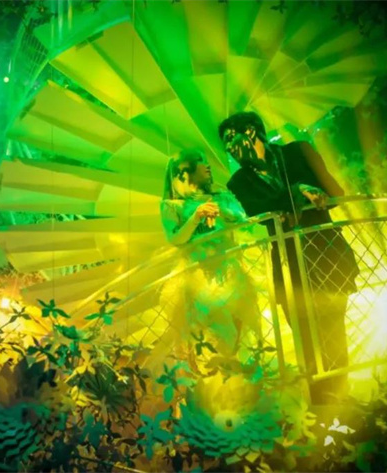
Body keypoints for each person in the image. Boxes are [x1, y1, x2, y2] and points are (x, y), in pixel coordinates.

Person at [218, 111, 359, 404]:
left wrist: (312, 191)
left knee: (334, 333)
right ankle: (320, 405)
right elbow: (259, 210)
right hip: (288, 266)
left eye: (233, 137)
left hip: (327, 253)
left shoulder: (298, 151)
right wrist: (297, 191)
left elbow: (334, 193)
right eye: (225, 143)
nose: (230, 147)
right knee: (305, 339)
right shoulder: (239, 182)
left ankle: (342, 401)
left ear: (252, 131)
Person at [144, 149, 262, 370]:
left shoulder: (222, 196)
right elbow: (175, 238)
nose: (206, 165)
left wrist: (222, 211)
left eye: (206, 161)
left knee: (238, 324)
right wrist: (196, 217)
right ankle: (214, 373)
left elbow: (244, 221)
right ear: (183, 171)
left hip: (230, 272)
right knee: (210, 328)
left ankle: (239, 371)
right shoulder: (172, 205)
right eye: (199, 161)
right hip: (198, 277)